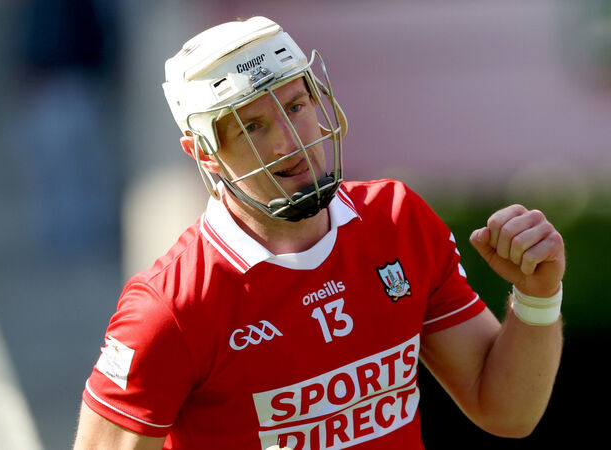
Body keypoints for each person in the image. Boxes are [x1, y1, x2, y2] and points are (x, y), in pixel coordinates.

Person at [73, 16, 564, 450]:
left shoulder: (398, 221)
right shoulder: (171, 309)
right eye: (252, 127)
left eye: (296, 106)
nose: (289, 141)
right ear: (204, 153)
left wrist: (537, 295)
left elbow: (506, 411)